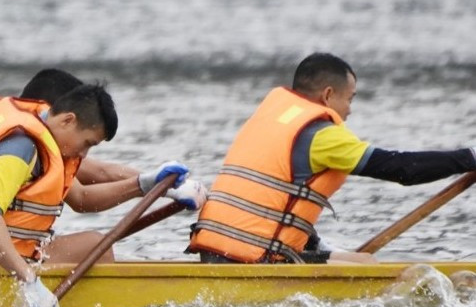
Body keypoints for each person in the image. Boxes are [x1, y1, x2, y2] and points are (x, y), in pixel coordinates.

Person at [0, 83, 201, 307]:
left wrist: (147, 184)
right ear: (68, 120)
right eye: (87, 143)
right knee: (96, 245)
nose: (84, 153)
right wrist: (28, 281)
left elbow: (83, 199)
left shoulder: (44, 138)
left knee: (93, 244)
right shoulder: (20, 150)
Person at [187, 52, 476, 265]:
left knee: (351, 257)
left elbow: (273, 203)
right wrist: (469, 157)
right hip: (255, 260)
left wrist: (320, 246)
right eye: (350, 99)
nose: (349, 110)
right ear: (328, 95)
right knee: (367, 264)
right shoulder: (322, 135)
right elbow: (402, 169)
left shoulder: (270, 117)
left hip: (214, 252)